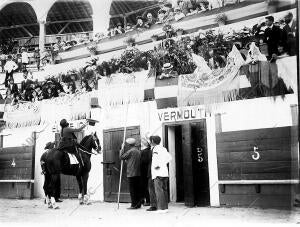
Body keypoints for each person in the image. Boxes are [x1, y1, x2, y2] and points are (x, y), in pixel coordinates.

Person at [150, 135, 172, 213]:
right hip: (165, 172)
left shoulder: (155, 148)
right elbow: (169, 158)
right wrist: (163, 163)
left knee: (158, 191)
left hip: (158, 173)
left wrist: (157, 166)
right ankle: (165, 208)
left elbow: (155, 159)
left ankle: (161, 209)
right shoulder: (164, 148)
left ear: (152, 141)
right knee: (164, 190)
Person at [119, 137, 142, 209]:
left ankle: (133, 205)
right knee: (137, 189)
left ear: (129, 145)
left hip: (131, 173)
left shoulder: (131, 151)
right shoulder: (138, 151)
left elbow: (121, 157)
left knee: (132, 190)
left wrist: (121, 149)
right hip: (138, 173)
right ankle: (138, 204)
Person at [140, 138, 152, 206]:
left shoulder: (144, 151)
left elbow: (143, 162)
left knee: (145, 186)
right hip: (148, 170)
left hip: (144, 171)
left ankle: (147, 201)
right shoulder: (150, 150)